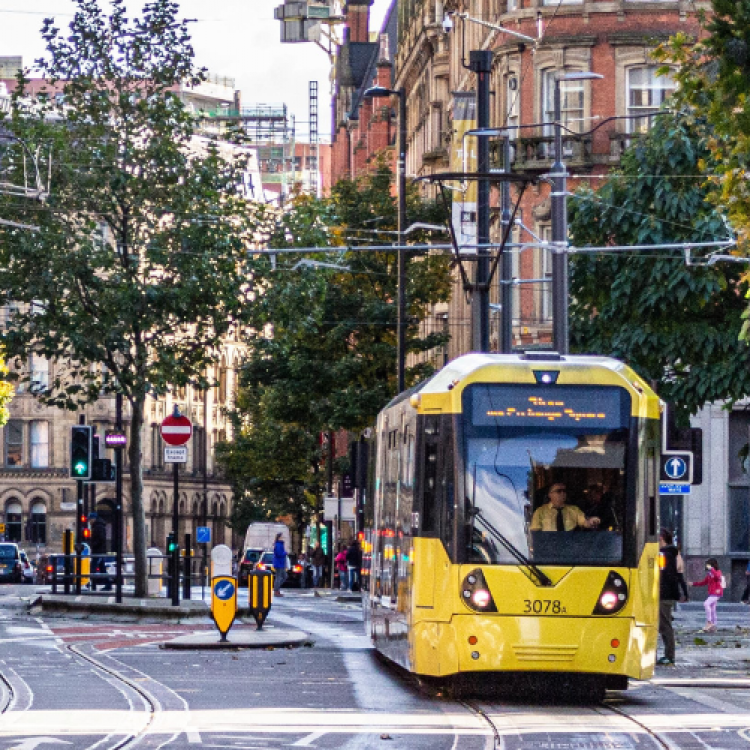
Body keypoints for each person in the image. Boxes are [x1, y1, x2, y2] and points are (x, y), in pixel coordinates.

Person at [657, 529, 688, 666]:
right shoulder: (673, 553)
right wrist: (684, 592)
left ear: (661, 538)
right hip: (667, 593)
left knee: (665, 625)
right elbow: (679, 575)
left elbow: (665, 575)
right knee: (663, 624)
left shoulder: (664, 554)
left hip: (664, 594)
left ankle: (669, 656)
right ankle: (668, 655)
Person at [529, 483, 600, 532]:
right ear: (550, 494)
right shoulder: (540, 511)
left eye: (564, 491)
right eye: (559, 491)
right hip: (549, 549)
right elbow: (535, 533)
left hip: (569, 548)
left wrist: (591, 521)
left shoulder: (574, 509)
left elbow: (584, 522)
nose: (563, 493)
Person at [691, 557, 724, 633]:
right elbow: (704, 582)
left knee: (706, 604)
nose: (706, 567)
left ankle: (709, 622)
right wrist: (693, 584)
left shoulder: (718, 571)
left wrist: (711, 569)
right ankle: (714, 625)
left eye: (708, 565)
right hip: (712, 593)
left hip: (717, 592)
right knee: (712, 609)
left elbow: (717, 577)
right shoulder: (710, 574)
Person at [89, 513, 111, 592]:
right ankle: (107, 584)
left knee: (93, 568)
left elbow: (100, 539)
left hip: (98, 551)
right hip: (99, 551)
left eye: (90, 520)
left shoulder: (98, 527)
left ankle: (92, 584)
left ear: (93, 519)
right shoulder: (98, 526)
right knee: (102, 569)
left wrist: (93, 544)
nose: (89, 521)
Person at [272, 533, 288, 597]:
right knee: (278, 577)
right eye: (282, 537)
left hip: (281, 563)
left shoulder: (280, 544)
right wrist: (285, 553)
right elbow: (279, 554)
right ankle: (276, 590)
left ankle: (276, 589)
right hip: (279, 563)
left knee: (284, 576)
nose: (283, 537)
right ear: (279, 537)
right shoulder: (278, 544)